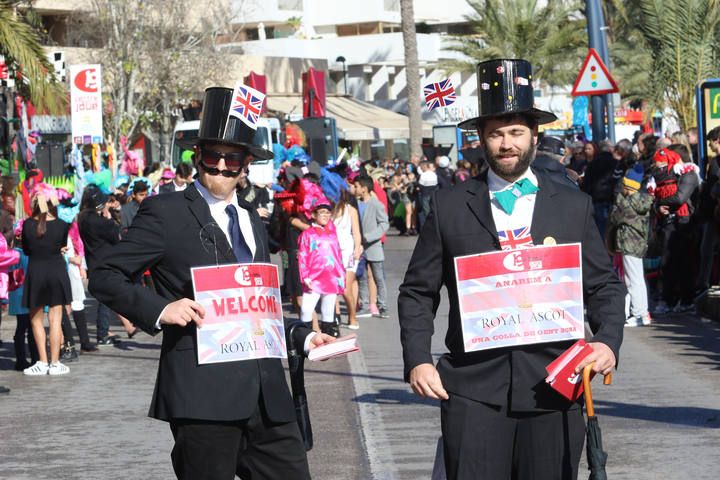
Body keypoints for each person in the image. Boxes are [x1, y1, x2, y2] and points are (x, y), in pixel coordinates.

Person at [89, 87, 334, 480]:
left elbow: (254, 304)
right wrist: (161, 309)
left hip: (267, 396)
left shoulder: (252, 219)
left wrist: (300, 336)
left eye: (231, 158)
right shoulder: (165, 213)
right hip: (202, 398)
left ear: (246, 164)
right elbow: (104, 275)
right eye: (211, 156)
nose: (220, 167)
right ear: (197, 157)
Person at [398, 59, 625, 480]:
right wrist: (417, 359)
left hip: (555, 387)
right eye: (496, 133)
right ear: (481, 138)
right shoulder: (449, 207)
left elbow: (605, 286)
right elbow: (417, 291)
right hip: (472, 391)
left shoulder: (573, 205)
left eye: (516, 132)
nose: (507, 144)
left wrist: (608, 342)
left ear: (534, 136)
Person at [21, 184, 73, 376]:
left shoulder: (27, 225)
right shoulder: (62, 225)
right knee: (55, 319)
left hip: (36, 272)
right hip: (57, 272)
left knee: (36, 320)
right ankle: (55, 362)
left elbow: (26, 249)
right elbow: (61, 245)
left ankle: (42, 361)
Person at [608, 164, 653, 326]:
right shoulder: (643, 201)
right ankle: (644, 313)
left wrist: (618, 198)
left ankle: (638, 314)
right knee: (638, 279)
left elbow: (615, 217)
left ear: (627, 186)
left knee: (632, 280)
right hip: (639, 244)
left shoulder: (625, 203)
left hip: (628, 244)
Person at [298, 197, 346, 337]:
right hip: (313, 278)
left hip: (331, 278)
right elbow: (302, 256)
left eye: (328, 212)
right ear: (314, 215)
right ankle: (305, 339)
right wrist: (305, 276)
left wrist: (341, 275)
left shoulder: (333, 234)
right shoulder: (307, 234)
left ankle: (328, 339)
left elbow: (337, 257)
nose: (325, 215)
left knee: (328, 311)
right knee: (307, 309)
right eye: (322, 212)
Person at [356, 175, 390, 319]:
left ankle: (383, 306)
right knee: (361, 277)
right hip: (359, 247)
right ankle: (363, 306)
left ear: (364, 189)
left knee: (378, 278)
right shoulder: (355, 204)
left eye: (357, 186)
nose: (355, 189)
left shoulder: (376, 204)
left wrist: (369, 237)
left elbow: (384, 224)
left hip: (374, 246)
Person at [332, 188, 362, 329]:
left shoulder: (350, 210)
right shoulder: (326, 210)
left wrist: (357, 248)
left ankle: (352, 316)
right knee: (332, 287)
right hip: (331, 252)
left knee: (345, 288)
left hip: (348, 253)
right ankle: (335, 316)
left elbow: (356, 232)